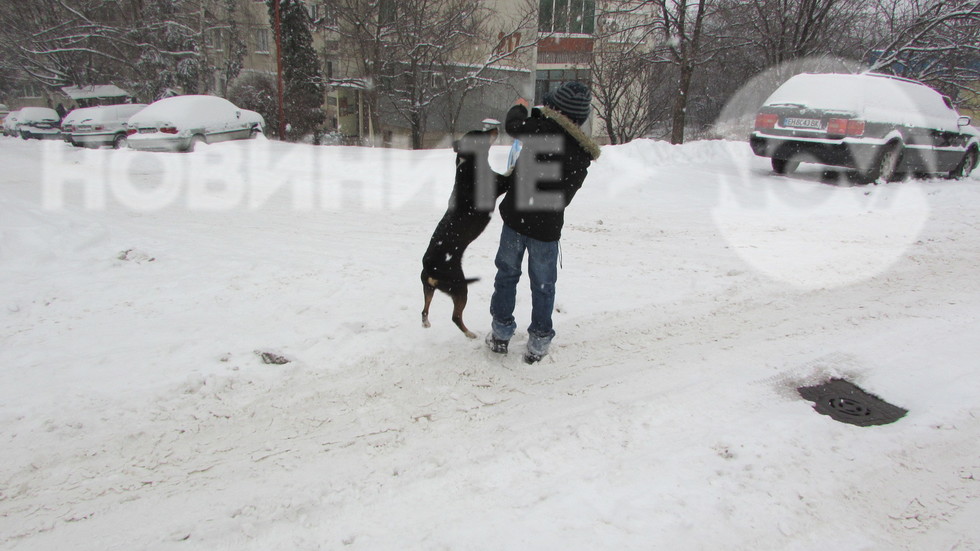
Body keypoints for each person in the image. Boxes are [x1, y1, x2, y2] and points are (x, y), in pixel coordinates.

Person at [486, 81, 601, 364]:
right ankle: (538, 342)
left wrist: (521, 106)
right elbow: (565, 197)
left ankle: (501, 333)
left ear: (556, 109)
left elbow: (513, 125)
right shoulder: (580, 152)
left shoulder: (540, 130)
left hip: (515, 220)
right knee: (543, 284)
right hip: (547, 230)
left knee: (506, 275)